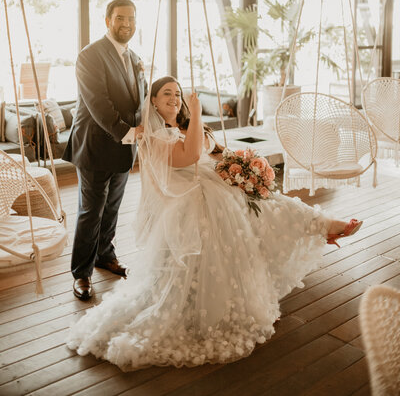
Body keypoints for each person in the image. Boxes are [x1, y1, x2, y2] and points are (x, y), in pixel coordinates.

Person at [67, 76, 362, 369]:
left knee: (268, 201)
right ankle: (324, 227)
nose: (174, 98)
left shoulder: (184, 128)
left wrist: (247, 168)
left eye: (177, 94)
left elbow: (217, 152)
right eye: (166, 93)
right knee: (251, 208)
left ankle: (323, 225)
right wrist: (196, 114)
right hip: (188, 198)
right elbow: (189, 155)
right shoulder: (152, 136)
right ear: (153, 101)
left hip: (215, 185)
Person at [63, 0, 146, 301]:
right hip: (96, 146)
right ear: (108, 20)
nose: (127, 24)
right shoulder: (90, 56)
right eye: (121, 18)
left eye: (131, 18)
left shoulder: (134, 56)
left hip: (125, 148)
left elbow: (140, 100)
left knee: (112, 207)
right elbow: (99, 103)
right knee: (91, 210)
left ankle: (104, 255)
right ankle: (81, 273)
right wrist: (128, 133)